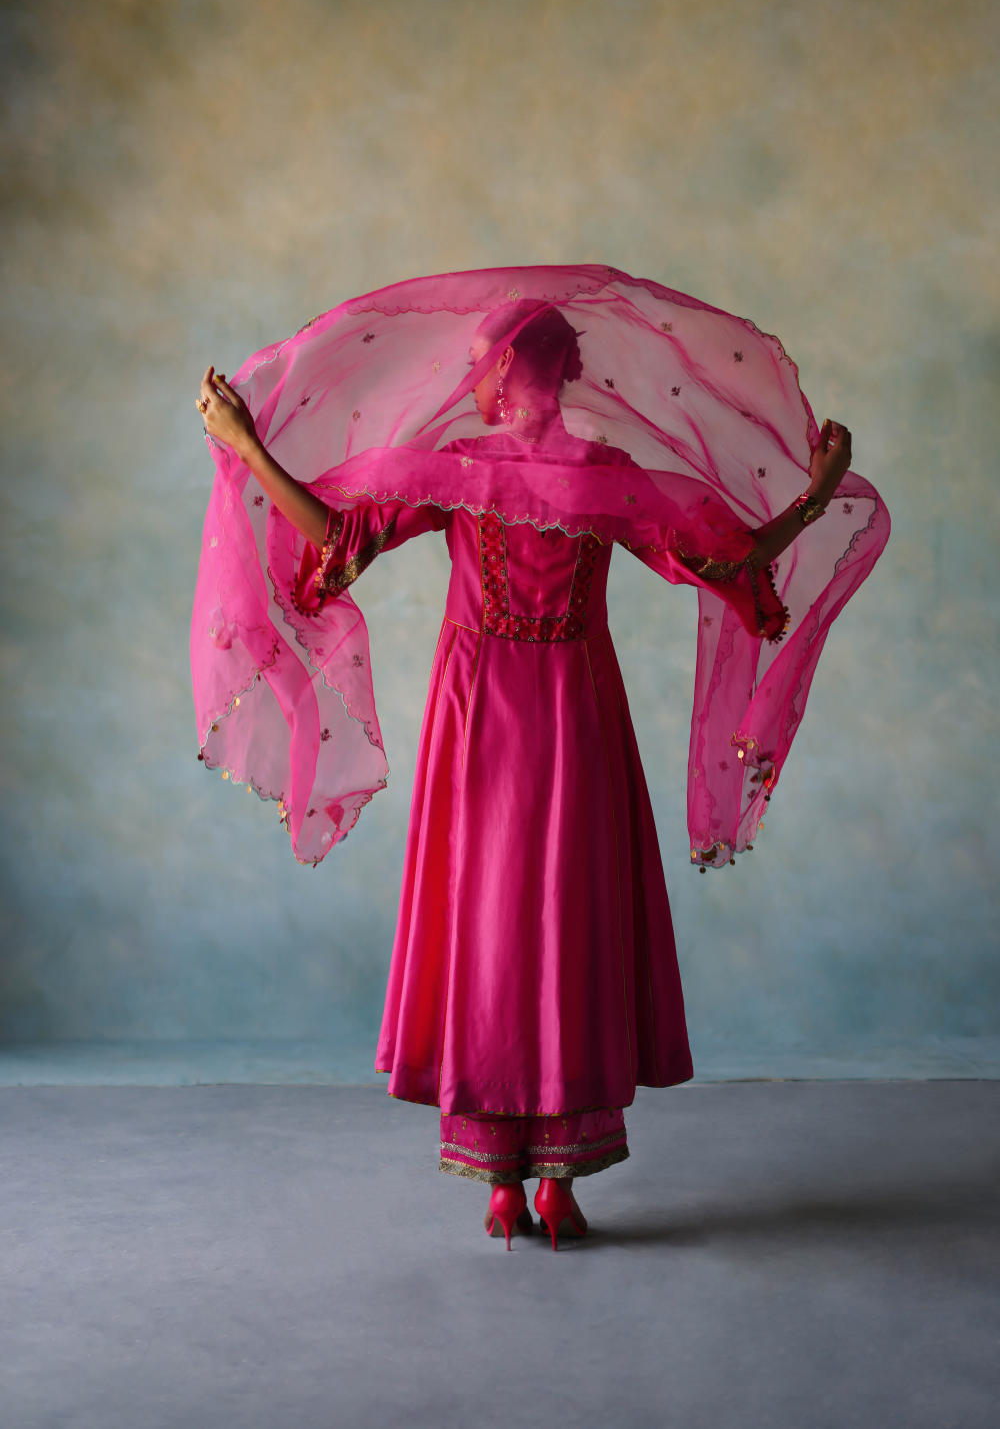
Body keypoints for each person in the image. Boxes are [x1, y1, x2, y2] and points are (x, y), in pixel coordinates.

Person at [191, 266, 888, 1249]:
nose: (470, 377)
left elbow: (337, 539)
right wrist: (813, 499)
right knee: (569, 914)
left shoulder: (457, 469)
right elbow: (730, 561)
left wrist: (247, 450)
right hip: (576, 709)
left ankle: (502, 1185)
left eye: (481, 360)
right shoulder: (605, 476)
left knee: (485, 919)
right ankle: (557, 1180)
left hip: (478, 711)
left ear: (514, 368)